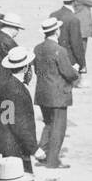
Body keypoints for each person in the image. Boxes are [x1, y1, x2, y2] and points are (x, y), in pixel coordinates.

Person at [31, 19, 78, 169]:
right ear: (57, 31)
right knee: (58, 127)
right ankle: (52, 161)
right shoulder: (60, 50)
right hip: (58, 95)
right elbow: (68, 73)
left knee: (48, 125)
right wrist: (75, 70)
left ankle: (42, 154)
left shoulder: (37, 48)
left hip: (42, 93)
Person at [0, 46, 37, 174]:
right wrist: (34, 149)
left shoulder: (7, 85)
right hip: (18, 146)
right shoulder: (18, 90)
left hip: (6, 143)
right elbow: (20, 125)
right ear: (25, 68)